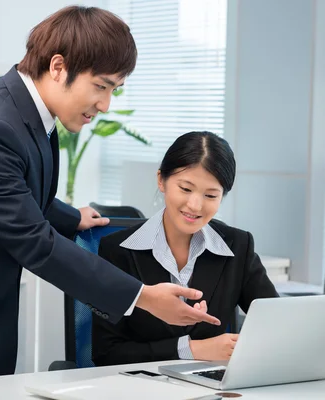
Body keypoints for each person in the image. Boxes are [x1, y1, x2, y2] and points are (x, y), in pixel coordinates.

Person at [0, 7, 219, 400]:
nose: (106, 104)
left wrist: (71, 216)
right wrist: (143, 297)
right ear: (58, 66)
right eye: (101, 86)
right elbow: (35, 244)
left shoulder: (23, 107)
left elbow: (17, 186)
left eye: (114, 91)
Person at [92, 131, 279, 366]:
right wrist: (191, 349)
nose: (195, 205)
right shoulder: (117, 251)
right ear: (161, 180)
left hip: (213, 388)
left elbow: (277, 326)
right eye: (186, 189)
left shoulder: (238, 247)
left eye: (211, 195)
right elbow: (106, 353)